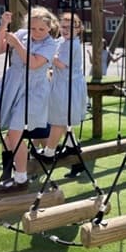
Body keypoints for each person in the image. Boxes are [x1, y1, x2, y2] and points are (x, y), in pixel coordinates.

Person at [0, 8, 57, 194]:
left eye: (41, 29)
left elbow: (33, 64)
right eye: (33, 28)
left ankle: (20, 179)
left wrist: (17, 44)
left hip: (32, 90)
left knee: (13, 137)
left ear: (49, 28)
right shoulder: (22, 34)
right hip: (10, 84)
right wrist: (3, 26)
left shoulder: (50, 44)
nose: (36, 32)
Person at [34, 12, 87, 163]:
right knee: (63, 119)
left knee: (58, 120)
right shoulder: (62, 41)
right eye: (63, 27)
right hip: (61, 83)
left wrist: (47, 55)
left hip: (68, 86)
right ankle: (72, 147)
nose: (65, 30)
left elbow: (61, 64)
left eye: (70, 27)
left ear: (78, 29)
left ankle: (49, 153)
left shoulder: (73, 45)